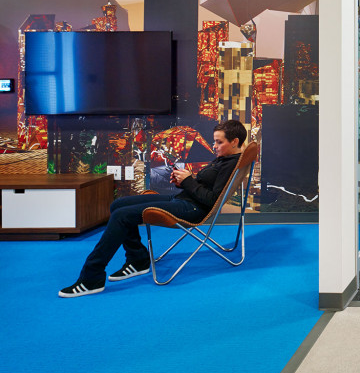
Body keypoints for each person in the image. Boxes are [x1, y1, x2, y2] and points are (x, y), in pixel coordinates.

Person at [58, 120, 247, 298]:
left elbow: (212, 200)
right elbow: (205, 187)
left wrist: (188, 181)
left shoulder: (231, 164)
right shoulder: (226, 158)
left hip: (193, 209)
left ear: (234, 141)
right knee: (118, 204)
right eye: (214, 141)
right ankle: (138, 260)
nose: (214, 146)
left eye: (219, 142)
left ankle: (92, 277)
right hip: (184, 198)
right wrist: (183, 182)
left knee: (122, 215)